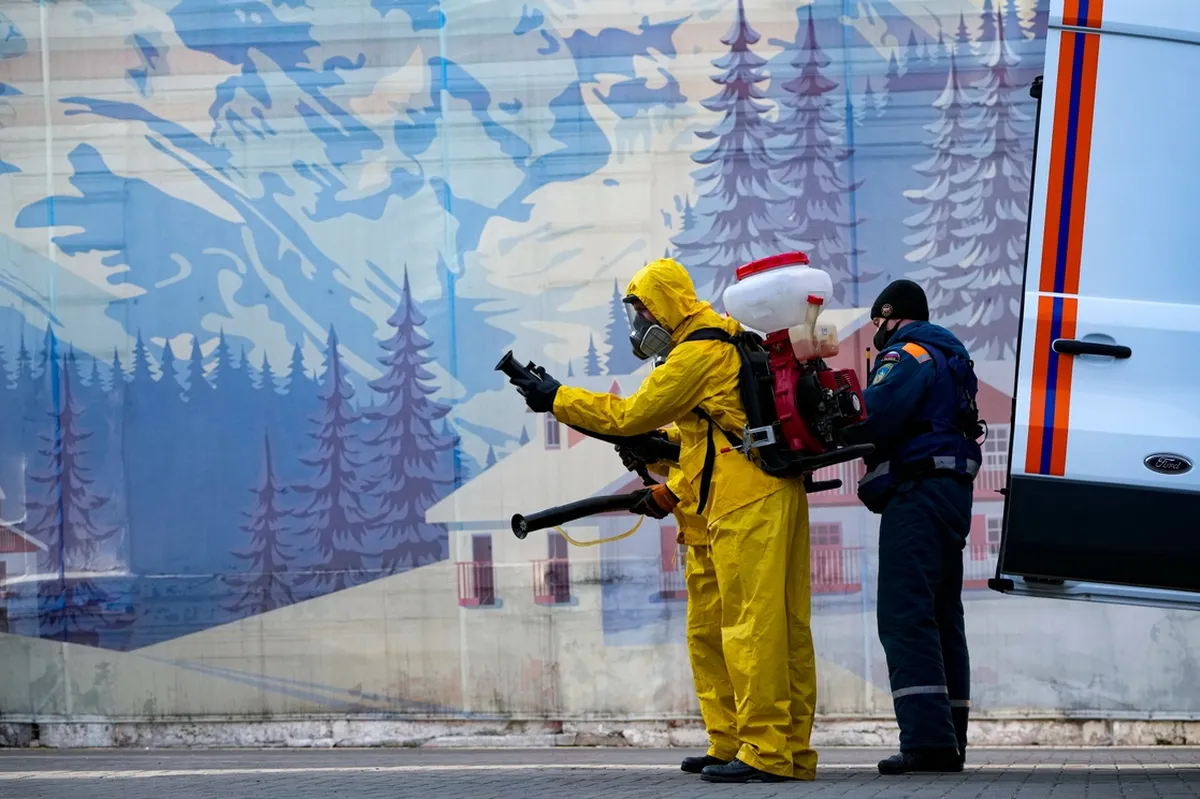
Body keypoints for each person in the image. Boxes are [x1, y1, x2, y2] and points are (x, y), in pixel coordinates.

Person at [510, 258, 816, 783]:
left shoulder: (698, 352)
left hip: (747, 502)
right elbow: (709, 438)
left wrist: (557, 398)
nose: (640, 325)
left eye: (644, 311)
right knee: (728, 631)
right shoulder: (720, 343)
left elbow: (629, 415)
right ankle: (740, 742)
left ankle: (769, 752)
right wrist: (664, 465)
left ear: (668, 304)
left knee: (754, 629)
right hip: (738, 498)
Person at [840, 279, 983, 775]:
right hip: (950, 491)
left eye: (878, 322)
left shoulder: (908, 354)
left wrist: (831, 421)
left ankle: (926, 741)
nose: (876, 332)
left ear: (892, 316)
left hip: (918, 492)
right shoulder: (948, 355)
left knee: (905, 613)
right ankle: (949, 738)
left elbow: (874, 416)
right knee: (942, 615)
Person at [616, 428, 739, 775]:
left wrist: (672, 489)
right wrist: (653, 450)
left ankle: (762, 744)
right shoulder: (686, 407)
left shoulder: (711, 393)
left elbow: (719, 448)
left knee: (743, 642)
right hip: (700, 533)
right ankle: (727, 742)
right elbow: (690, 447)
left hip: (732, 524)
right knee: (706, 642)